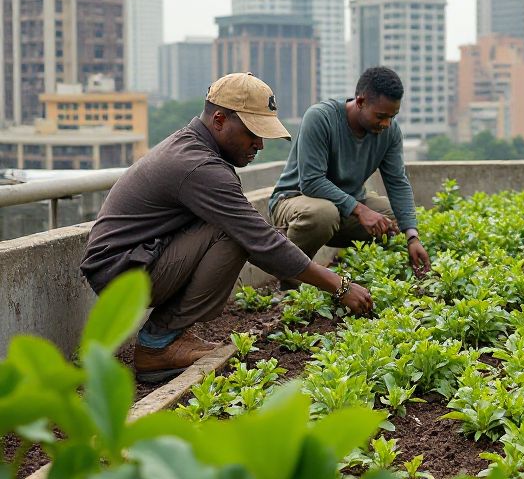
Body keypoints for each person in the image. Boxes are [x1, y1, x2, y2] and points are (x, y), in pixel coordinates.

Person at [81, 73, 373, 383]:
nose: (259, 144)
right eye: (252, 133)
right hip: (122, 272)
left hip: (134, 262)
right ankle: (157, 344)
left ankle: (171, 335)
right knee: (233, 233)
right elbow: (260, 240)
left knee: (237, 229)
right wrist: (339, 286)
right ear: (219, 119)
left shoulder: (194, 148)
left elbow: (262, 242)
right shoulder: (199, 167)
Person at [270, 66, 431, 280]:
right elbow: (311, 182)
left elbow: (398, 183)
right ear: (361, 101)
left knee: (393, 218)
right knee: (323, 214)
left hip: (344, 208)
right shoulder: (320, 118)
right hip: (296, 200)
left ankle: (368, 277)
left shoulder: (390, 132)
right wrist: (359, 209)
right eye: (381, 116)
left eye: (393, 116)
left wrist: (412, 236)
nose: (387, 124)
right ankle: (290, 283)